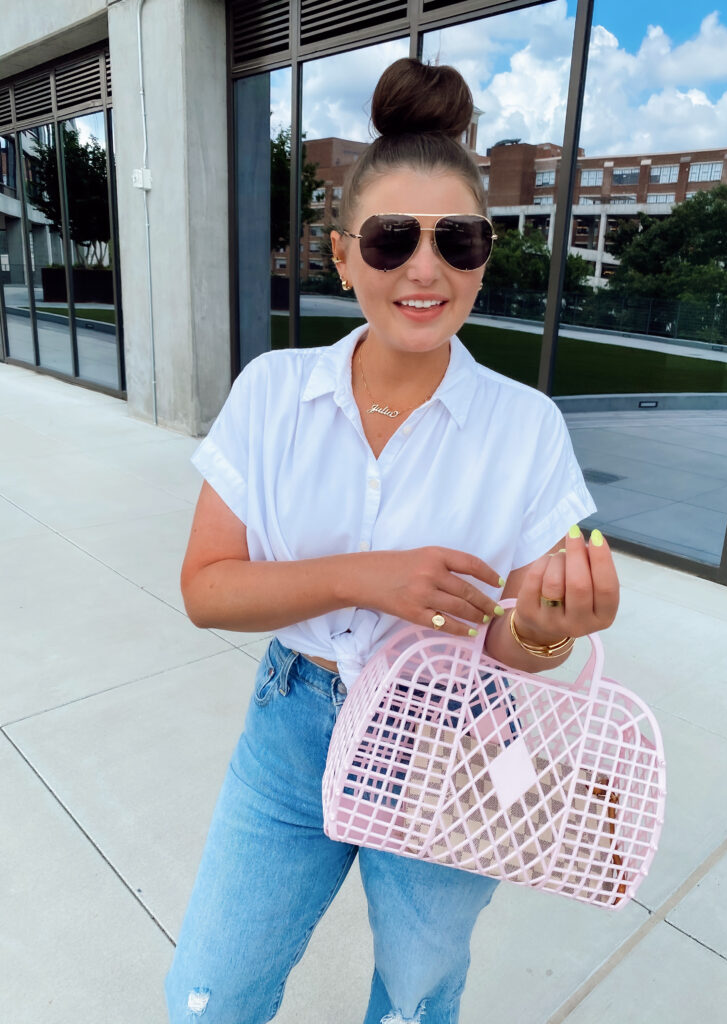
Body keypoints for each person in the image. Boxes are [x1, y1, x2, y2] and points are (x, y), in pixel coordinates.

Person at [165, 58, 619, 1024]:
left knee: (417, 997)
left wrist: (549, 626)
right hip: (291, 727)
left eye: (457, 239)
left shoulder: (526, 426)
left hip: (451, 740)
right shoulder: (273, 393)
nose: (425, 269)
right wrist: (367, 579)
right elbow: (206, 589)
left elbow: (523, 649)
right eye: (390, 240)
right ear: (341, 255)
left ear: (485, 255)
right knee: (210, 991)